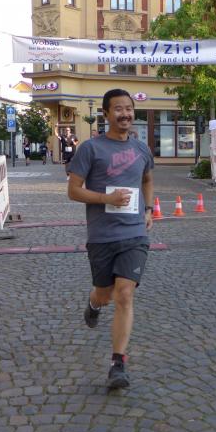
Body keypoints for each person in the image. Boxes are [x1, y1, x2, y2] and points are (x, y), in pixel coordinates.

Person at [67, 88, 155, 390]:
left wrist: (148, 209)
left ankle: (118, 363)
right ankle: (93, 304)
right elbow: (73, 190)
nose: (125, 114)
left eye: (129, 108)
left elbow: (147, 179)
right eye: (118, 109)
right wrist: (106, 198)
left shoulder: (142, 149)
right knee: (105, 295)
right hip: (102, 235)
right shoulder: (90, 149)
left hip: (134, 234)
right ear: (106, 114)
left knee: (125, 294)